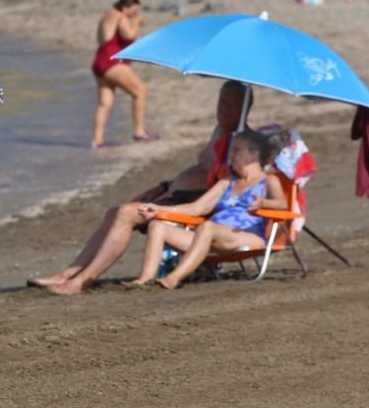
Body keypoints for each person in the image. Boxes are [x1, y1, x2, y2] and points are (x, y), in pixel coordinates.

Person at [31, 81, 250, 295]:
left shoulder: (240, 145)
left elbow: (223, 185)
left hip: (193, 206)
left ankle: (83, 280)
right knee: (114, 212)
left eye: (231, 104)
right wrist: (163, 187)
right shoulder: (220, 131)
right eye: (221, 101)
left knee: (126, 214)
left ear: (244, 109)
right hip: (175, 195)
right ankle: (70, 272)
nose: (223, 108)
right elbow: (200, 170)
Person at [130, 131, 287, 289]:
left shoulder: (268, 180)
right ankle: (145, 279)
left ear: (254, 154)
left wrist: (264, 203)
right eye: (231, 150)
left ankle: (172, 279)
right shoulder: (227, 181)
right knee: (157, 226)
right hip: (207, 238)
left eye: (237, 150)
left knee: (207, 227)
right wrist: (158, 209)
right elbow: (196, 208)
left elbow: (283, 204)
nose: (231, 155)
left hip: (246, 236)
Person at [91, 0, 156, 148]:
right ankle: (139, 131)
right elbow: (129, 35)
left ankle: (97, 140)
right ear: (126, 7)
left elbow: (102, 39)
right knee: (140, 91)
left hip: (99, 61)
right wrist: (136, 23)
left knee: (104, 103)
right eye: (134, 11)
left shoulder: (107, 15)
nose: (135, 14)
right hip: (113, 61)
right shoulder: (121, 16)